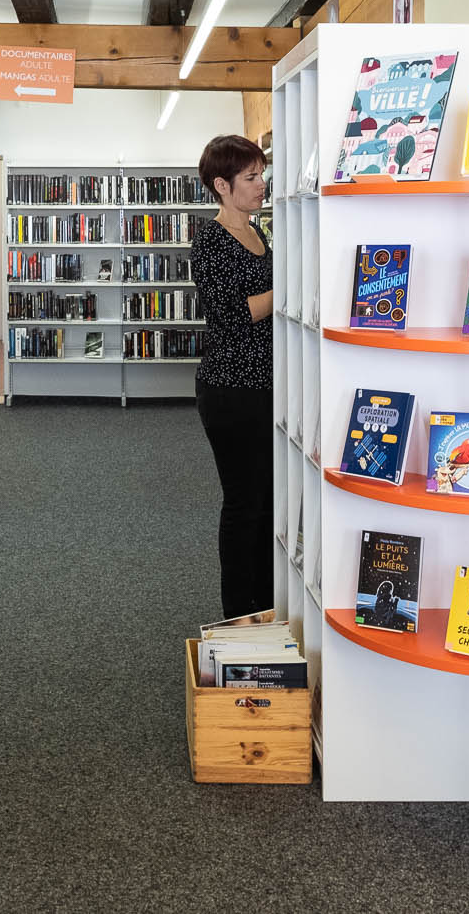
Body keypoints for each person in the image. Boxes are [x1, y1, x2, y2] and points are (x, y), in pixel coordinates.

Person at [190, 134, 274, 617]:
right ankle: (238, 614)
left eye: (261, 175)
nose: (261, 185)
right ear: (222, 185)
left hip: (264, 384)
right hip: (231, 390)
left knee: (265, 502)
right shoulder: (210, 240)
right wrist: (289, 286)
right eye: (251, 178)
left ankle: (264, 605)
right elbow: (233, 315)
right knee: (244, 502)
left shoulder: (260, 233)